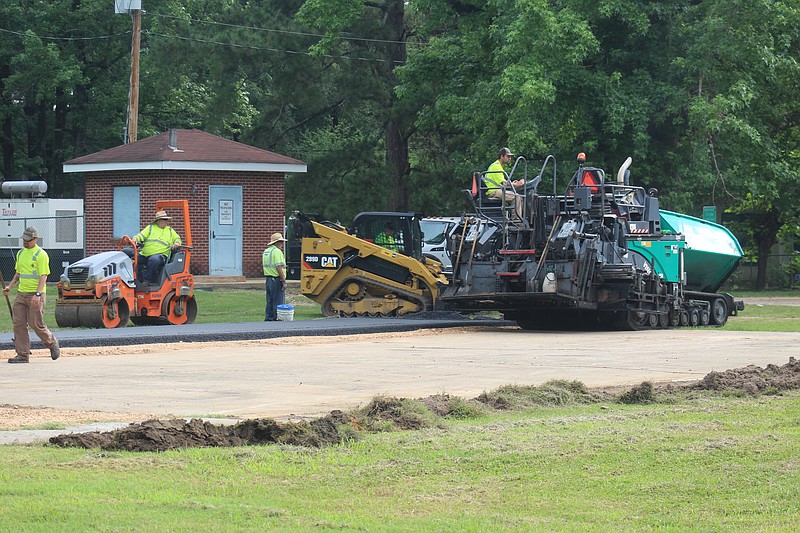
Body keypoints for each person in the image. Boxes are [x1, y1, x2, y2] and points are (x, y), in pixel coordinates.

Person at [4, 226, 60, 364]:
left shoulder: (41, 255)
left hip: (36, 294)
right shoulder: (20, 253)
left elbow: (43, 276)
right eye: (24, 239)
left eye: (28, 240)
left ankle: (52, 343)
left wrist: (38, 294)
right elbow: (18, 274)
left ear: (36, 239)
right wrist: (9, 287)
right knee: (19, 324)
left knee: (36, 324)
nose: (26, 242)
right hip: (21, 294)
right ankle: (22, 354)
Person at [133, 210, 182, 286]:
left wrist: (177, 243)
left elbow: (177, 239)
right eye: (164, 220)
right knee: (133, 259)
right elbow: (140, 236)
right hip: (145, 254)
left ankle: (147, 280)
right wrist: (135, 239)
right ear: (158, 221)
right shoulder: (150, 228)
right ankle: (136, 280)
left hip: (161, 256)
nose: (166, 222)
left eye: (167, 220)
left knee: (154, 260)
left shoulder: (170, 230)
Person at [485, 147, 525, 218]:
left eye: (510, 157)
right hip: (493, 191)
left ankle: (515, 218)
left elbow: (502, 183)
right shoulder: (496, 166)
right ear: (502, 156)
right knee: (516, 197)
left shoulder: (498, 166)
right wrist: (517, 184)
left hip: (496, 190)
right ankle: (517, 221)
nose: (509, 158)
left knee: (520, 198)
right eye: (508, 156)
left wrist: (513, 183)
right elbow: (504, 183)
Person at [263, 232, 287, 321]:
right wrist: (283, 279)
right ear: (276, 242)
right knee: (278, 300)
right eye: (281, 242)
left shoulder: (266, 251)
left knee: (270, 300)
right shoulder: (277, 251)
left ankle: (269, 318)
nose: (282, 244)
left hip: (268, 279)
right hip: (276, 279)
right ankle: (276, 319)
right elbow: (278, 266)